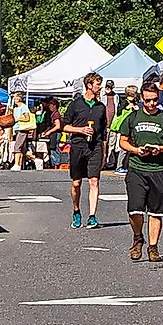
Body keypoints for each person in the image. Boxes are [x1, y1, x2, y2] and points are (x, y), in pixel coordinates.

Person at [117, 81, 163, 263]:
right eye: (148, 100)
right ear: (142, 99)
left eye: (155, 100)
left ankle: (153, 247)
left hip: (160, 169)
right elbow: (122, 141)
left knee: (156, 211)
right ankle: (138, 237)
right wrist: (135, 150)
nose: (151, 104)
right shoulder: (133, 117)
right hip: (137, 168)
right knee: (135, 210)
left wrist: (161, 148)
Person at [62, 75, 103, 227]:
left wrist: (103, 151)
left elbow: (103, 132)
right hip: (78, 146)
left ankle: (92, 215)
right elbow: (64, 126)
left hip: (95, 147)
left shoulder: (100, 107)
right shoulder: (76, 105)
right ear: (89, 85)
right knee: (76, 183)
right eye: (98, 84)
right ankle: (76, 211)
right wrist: (80, 130)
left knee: (94, 181)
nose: (100, 87)